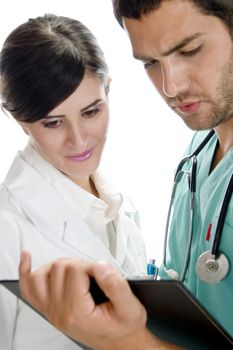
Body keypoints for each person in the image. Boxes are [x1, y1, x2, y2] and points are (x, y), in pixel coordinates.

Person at [18, 0, 233, 348]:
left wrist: (131, 342)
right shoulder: (197, 153)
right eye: (150, 62)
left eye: (190, 50)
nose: (170, 86)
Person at [0, 13, 147, 350]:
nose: (79, 141)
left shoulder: (118, 206)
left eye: (92, 111)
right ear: (19, 120)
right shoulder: (6, 227)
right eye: (53, 123)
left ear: (108, 90)